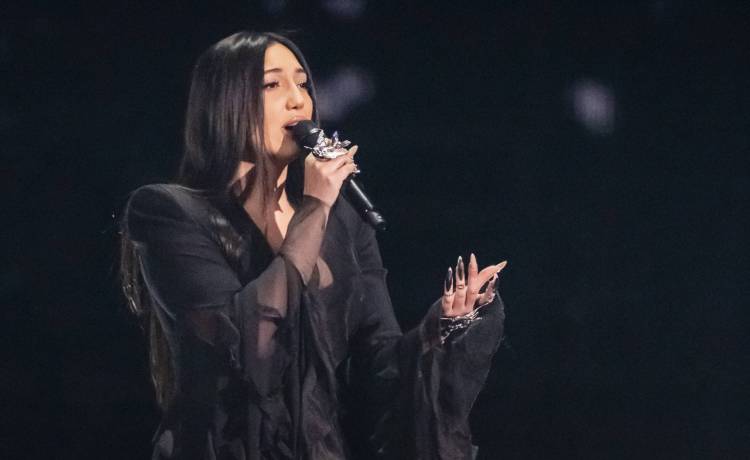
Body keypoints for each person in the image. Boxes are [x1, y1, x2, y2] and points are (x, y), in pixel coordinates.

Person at [120, 31, 508, 460]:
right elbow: (250, 351)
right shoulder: (168, 212)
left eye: (303, 84)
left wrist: (441, 329)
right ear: (223, 102)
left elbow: (378, 368)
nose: (298, 100)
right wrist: (316, 205)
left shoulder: (342, 222)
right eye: (273, 84)